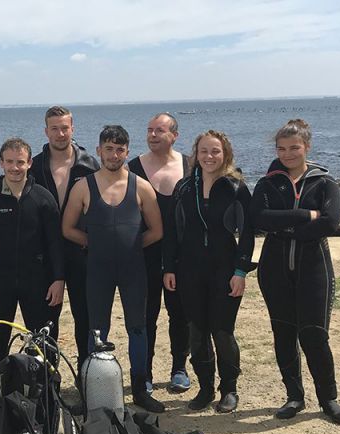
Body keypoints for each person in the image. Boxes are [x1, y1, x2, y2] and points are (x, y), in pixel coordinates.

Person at [249, 119, 340, 425]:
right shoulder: (268, 183)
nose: (287, 154)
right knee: (283, 332)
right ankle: (294, 396)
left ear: (307, 146)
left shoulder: (325, 183)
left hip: (313, 266)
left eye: (294, 147)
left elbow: (330, 223)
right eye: (281, 148)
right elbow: (259, 219)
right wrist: (304, 216)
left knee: (314, 334)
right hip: (274, 267)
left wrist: (285, 226)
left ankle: (328, 399)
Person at [63, 125, 165, 413]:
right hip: (98, 269)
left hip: (133, 269)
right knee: (97, 330)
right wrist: (92, 243)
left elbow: (157, 230)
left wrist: (132, 246)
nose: (114, 154)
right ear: (99, 151)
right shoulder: (83, 187)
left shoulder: (141, 186)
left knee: (138, 327)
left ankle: (141, 389)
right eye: (108, 148)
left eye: (120, 149)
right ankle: (96, 393)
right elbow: (67, 228)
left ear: (127, 152)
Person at [163, 130, 254, 413]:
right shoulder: (184, 187)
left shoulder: (235, 187)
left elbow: (248, 234)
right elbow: (172, 232)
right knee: (197, 332)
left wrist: (241, 270)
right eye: (203, 151)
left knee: (222, 331)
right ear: (195, 155)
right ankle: (205, 388)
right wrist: (169, 267)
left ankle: (229, 388)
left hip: (225, 269)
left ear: (225, 153)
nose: (209, 156)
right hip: (189, 269)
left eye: (215, 151)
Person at [0, 138, 65, 372]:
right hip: (1, 281)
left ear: (30, 163)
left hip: (38, 280)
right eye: (10, 162)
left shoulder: (43, 198)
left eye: (20, 162)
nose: (15, 167)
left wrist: (59, 279)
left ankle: (47, 393)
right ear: (1, 163)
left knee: (43, 340)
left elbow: (55, 242)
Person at [127, 112, 196, 395]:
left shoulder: (191, 166)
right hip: (145, 254)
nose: (153, 135)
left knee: (180, 314)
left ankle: (179, 367)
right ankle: (145, 372)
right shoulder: (132, 168)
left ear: (174, 135)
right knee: (145, 317)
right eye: (149, 129)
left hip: (182, 257)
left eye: (160, 130)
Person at [30, 106, 100, 367]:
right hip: (45, 256)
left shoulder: (90, 164)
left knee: (86, 318)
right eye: (54, 128)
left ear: (73, 128)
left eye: (65, 128)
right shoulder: (33, 166)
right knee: (46, 322)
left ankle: (86, 373)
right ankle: (48, 381)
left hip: (81, 252)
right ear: (46, 131)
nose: (60, 134)